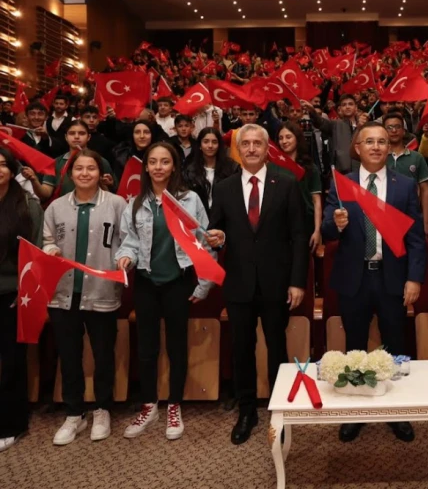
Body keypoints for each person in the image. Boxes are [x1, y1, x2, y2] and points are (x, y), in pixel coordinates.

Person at [322, 121, 426, 443]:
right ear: (357, 148)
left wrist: (414, 278)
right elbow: (325, 231)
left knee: (395, 345)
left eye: (382, 141)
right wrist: (336, 223)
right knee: (355, 346)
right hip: (354, 279)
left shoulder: (404, 185)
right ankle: (357, 412)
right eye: (369, 141)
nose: (376, 147)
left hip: (392, 277)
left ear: (389, 147)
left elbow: (416, 238)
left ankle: (398, 413)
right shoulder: (342, 184)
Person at [205, 124, 308, 446]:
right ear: (238, 150)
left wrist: (297, 282)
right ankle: (247, 411)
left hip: (277, 283)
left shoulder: (287, 183)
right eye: (245, 144)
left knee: (277, 347)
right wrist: (217, 239)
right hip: (238, 282)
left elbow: (299, 236)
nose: (251, 149)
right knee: (241, 349)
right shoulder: (224, 188)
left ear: (267, 149)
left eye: (257, 144)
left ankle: (281, 410)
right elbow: (217, 231)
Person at [116, 142, 214, 441]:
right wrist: (125, 257)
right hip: (146, 282)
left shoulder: (190, 200)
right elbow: (129, 241)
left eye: (165, 162)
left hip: (178, 281)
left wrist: (204, 284)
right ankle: (149, 405)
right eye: (153, 162)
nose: (158, 167)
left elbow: (205, 242)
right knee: (146, 348)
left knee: (176, 345)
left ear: (174, 167)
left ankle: (174, 406)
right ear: (146, 167)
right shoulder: (135, 203)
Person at [43, 150, 127, 446]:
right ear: (70, 173)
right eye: (79, 168)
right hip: (63, 295)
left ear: (100, 173)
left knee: (103, 354)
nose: (85, 173)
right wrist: (50, 249)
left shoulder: (116, 204)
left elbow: (127, 240)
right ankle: (74, 412)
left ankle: (102, 409)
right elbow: (47, 239)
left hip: (101, 292)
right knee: (69, 356)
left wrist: (123, 259)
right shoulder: (56, 207)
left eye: (91, 168)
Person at [0, 149, 43, 453]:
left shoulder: (28, 204)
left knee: (12, 361)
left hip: (14, 294)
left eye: (3, 164)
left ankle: (11, 424)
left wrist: (26, 290)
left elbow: (36, 252)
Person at [21, 120, 115, 202]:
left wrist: (109, 185)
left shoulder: (100, 161)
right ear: (66, 137)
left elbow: (110, 193)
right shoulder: (56, 163)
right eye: (72, 133)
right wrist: (34, 180)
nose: (76, 137)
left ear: (89, 137)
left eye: (81, 133)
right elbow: (45, 194)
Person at [383, 112, 428, 236]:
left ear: (404, 131)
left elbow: (425, 190)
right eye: (389, 127)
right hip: (384, 213)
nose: (394, 130)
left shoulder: (417, 157)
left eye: (397, 127)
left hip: (411, 214)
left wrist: (426, 222)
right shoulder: (378, 157)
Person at [277, 121, 323, 250]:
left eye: (288, 137)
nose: (284, 141)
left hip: (305, 223)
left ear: (297, 139)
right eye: (280, 138)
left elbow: (316, 201)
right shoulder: (274, 167)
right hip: (280, 225)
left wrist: (317, 230)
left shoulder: (310, 167)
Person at [182, 127, 239, 215]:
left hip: (225, 215)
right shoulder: (190, 170)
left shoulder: (232, 167)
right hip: (199, 215)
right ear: (200, 145)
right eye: (206, 142)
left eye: (214, 142)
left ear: (219, 145)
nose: (210, 146)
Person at [304, 95, 365, 174]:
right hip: (341, 173)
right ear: (340, 109)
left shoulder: (364, 126)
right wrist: (312, 111)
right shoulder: (334, 125)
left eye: (350, 104)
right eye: (344, 105)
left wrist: (361, 127)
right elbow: (320, 122)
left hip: (361, 171)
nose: (347, 107)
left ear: (356, 107)